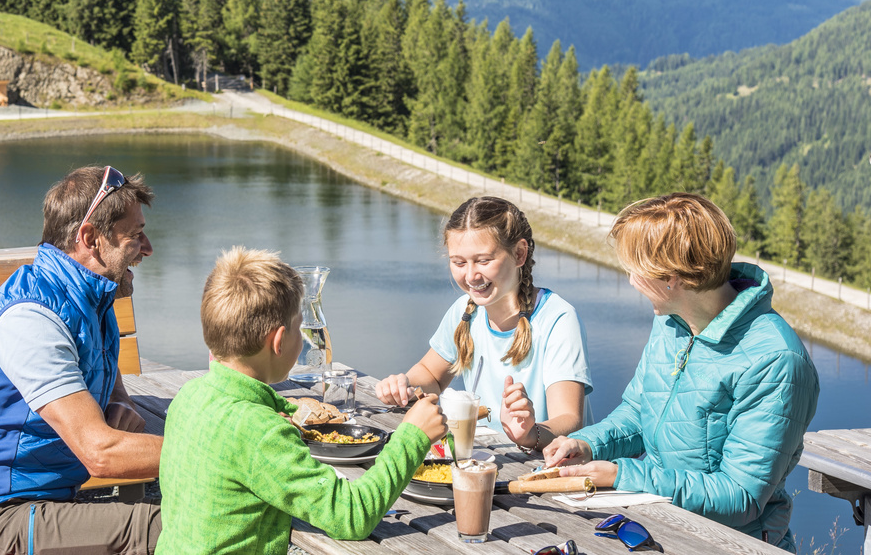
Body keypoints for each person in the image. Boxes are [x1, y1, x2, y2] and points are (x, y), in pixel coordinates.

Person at [544, 193, 819, 551]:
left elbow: (740, 497)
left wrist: (625, 475)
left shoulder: (776, 361)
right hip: (664, 529)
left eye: (635, 270)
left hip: (733, 544)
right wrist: (589, 444)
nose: (630, 280)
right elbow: (639, 412)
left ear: (671, 278)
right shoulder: (674, 320)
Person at [0, 165, 163, 555]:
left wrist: (119, 398)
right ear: (90, 238)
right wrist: (220, 455)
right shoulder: (31, 317)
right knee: (173, 528)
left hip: (37, 508)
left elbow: (100, 362)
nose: (148, 247)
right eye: (135, 235)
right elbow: (100, 453)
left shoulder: (84, 300)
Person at [156, 247, 448, 555]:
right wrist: (412, 436)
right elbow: (351, 516)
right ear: (279, 341)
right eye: (300, 329)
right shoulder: (262, 432)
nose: (304, 339)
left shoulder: (190, 396)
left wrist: (278, 411)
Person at [376, 196, 592, 454]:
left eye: (483, 261)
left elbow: (569, 418)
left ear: (519, 254)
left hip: (551, 467)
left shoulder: (558, 318)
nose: (470, 276)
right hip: (486, 461)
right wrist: (406, 386)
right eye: (458, 262)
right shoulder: (464, 312)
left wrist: (529, 433)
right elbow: (431, 375)